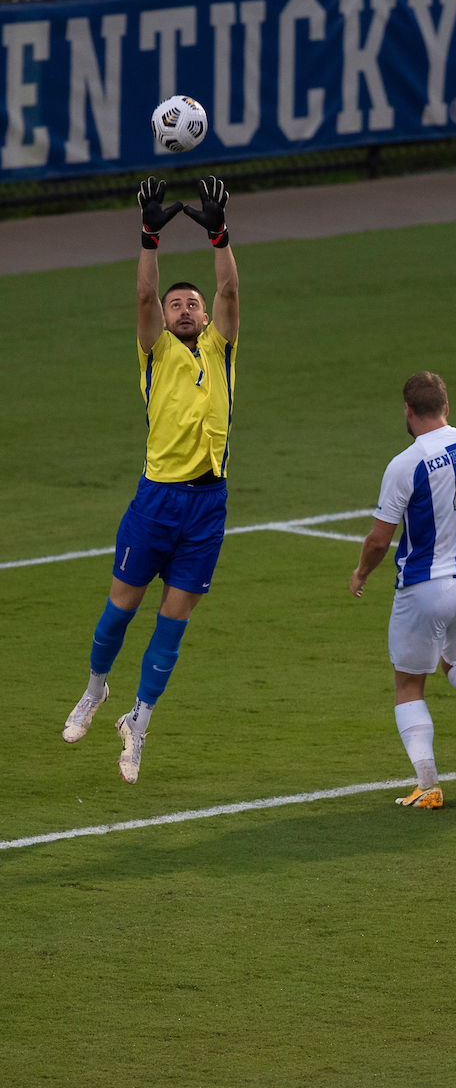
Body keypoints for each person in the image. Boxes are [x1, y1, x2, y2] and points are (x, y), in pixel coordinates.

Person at [62, 176, 239, 785]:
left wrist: (219, 236)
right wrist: (149, 237)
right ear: (163, 318)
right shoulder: (155, 351)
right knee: (121, 609)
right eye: (176, 304)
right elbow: (141, 296)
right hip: (156, 500)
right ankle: (94, 691)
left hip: (207, 506)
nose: (186, 308)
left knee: (174, 622)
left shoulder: (220, 348)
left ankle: (139, 720)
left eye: (193, 303)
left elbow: (230, 289)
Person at [350, 371, 456, 808]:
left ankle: (429, 783)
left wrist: (360, 573)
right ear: (446, 405)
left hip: (424, 587)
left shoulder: (405, 464)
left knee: (410, 684)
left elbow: (379, 539)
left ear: (408, 411)